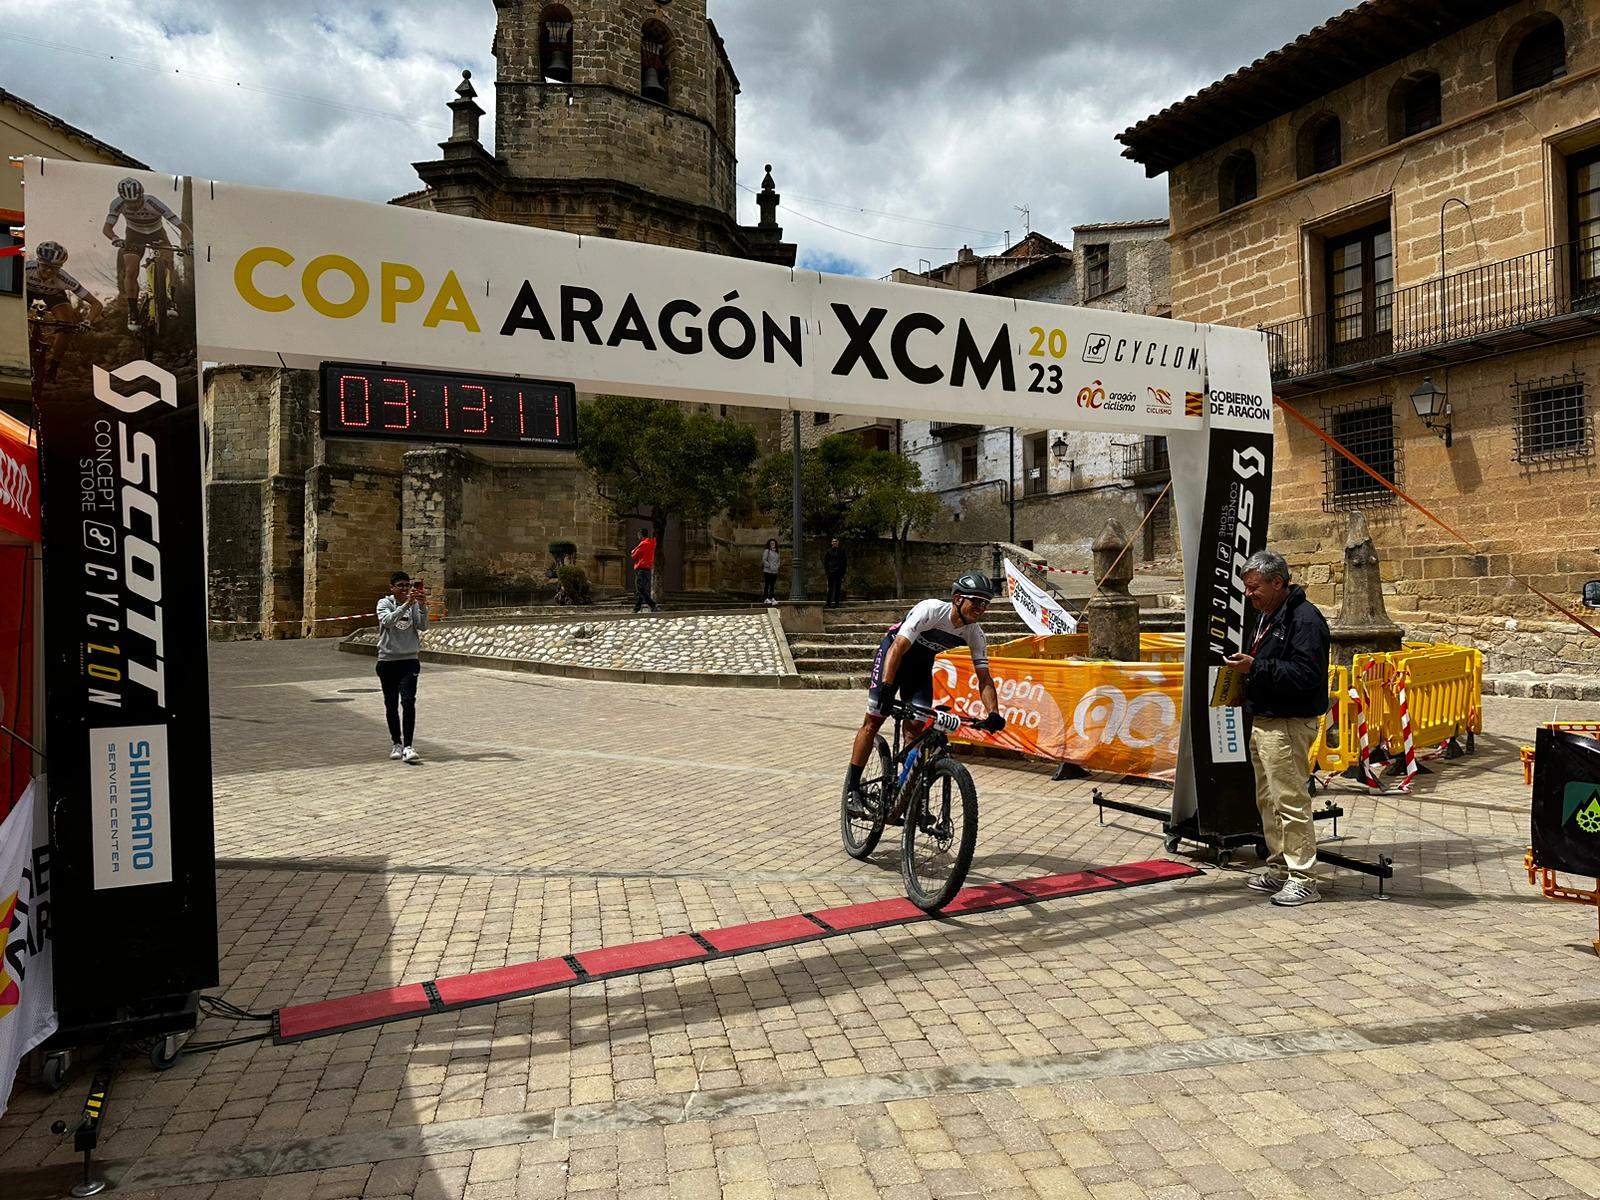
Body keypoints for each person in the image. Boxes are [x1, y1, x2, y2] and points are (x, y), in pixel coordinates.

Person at [1223, 549, 1330, 907]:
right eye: (1246, 588)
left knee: (1290, 800)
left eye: (1254, 588)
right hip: (1265, 719)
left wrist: (1256, 668)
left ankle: (1303, 877)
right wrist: (1244, 687)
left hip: (1288, 723)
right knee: (1268, 800)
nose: (1248, 595)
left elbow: (1306, 676)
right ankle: (1281, 866)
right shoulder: (1268, 616)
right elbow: (1269, 665)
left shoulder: (1305, 620)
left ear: (1278, 582)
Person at [845, 572, 1006, 810]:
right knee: (873, 721)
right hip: (895, 657)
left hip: (920, 669)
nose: (981, 608)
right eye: (976, 601)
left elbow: (984, 678)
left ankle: (905, 793)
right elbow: (898, 648)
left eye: (985, 603)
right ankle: (852, 790)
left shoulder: (975, 634)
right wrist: (888, 687)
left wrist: (993, 713)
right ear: (958, 599)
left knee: (915, 732)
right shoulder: (930, 610)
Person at [102, 176, 191, 331]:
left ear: (142, 195)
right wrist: (115, 238)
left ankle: (169, 299)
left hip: (157, 233)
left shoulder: (153, 202)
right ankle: (133, 311)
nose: (134, 206)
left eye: (136, 202)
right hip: (134, 234)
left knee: (168, 261)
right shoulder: (117, 204)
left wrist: (189, 243)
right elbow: (107, 229)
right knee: (130, 270)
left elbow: (182, 226)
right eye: (130, 203)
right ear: (123, 199)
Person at [24, 242, 103, 383]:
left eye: (54, 268)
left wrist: (87, 321)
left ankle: (53, 368)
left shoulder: (64, 279)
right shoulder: (26, 269)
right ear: (38, 262)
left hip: (54, 295)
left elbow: (97, 304)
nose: (48, 271)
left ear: (60, 268)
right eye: (45, 266)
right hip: (27, 292)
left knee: (67, 326)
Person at [376, 571, 428, 763]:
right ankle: (396, 743)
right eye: (401, 585)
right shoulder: (384, 603)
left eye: (408, 585)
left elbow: (423, 626)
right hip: (387, 661)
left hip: (409, 660)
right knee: (391, 704)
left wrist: (421, 606)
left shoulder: (414, 605)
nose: (405, 589)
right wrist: (407, 604)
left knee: (408, 701)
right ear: (392, 588)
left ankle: (408, 746)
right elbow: (388, 622)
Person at [632, 528, 661, 613]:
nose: (638, 536)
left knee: (640, 589)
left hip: (640, 569)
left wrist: (633, 550)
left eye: (638, 534)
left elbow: (634, 555)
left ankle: (653, 605)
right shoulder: (652, 543)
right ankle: (637, 608)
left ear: (641, 534)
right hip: (648, 569)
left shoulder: (642, 544)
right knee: (642, 589)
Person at [824, 538, 848, 608]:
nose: (834, 543)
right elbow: (826, 563)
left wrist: (843, 573)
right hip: (831, 573)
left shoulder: (842, 551)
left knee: (838, 589)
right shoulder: (828, 551)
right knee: (830, 588)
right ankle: (828, 603)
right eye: (833, 541)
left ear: (838, 542)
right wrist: (827, 572)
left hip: (839, 573)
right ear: (831, 543)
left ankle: (837, 603)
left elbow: (844, 563)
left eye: (836, 541)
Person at [761, 538, 781, 606]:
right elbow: (764, 560)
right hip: (768, 571)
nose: (773, 544)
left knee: (772, 585)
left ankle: (771, 597)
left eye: (774, 543)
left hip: (775, 571)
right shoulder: (767, 551)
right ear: (769, 544)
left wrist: (777, 566)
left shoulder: (776, 552)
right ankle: (765, 598)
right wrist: (769, 565)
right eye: (771, 543)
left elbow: (778, 561)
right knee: (767, 585)